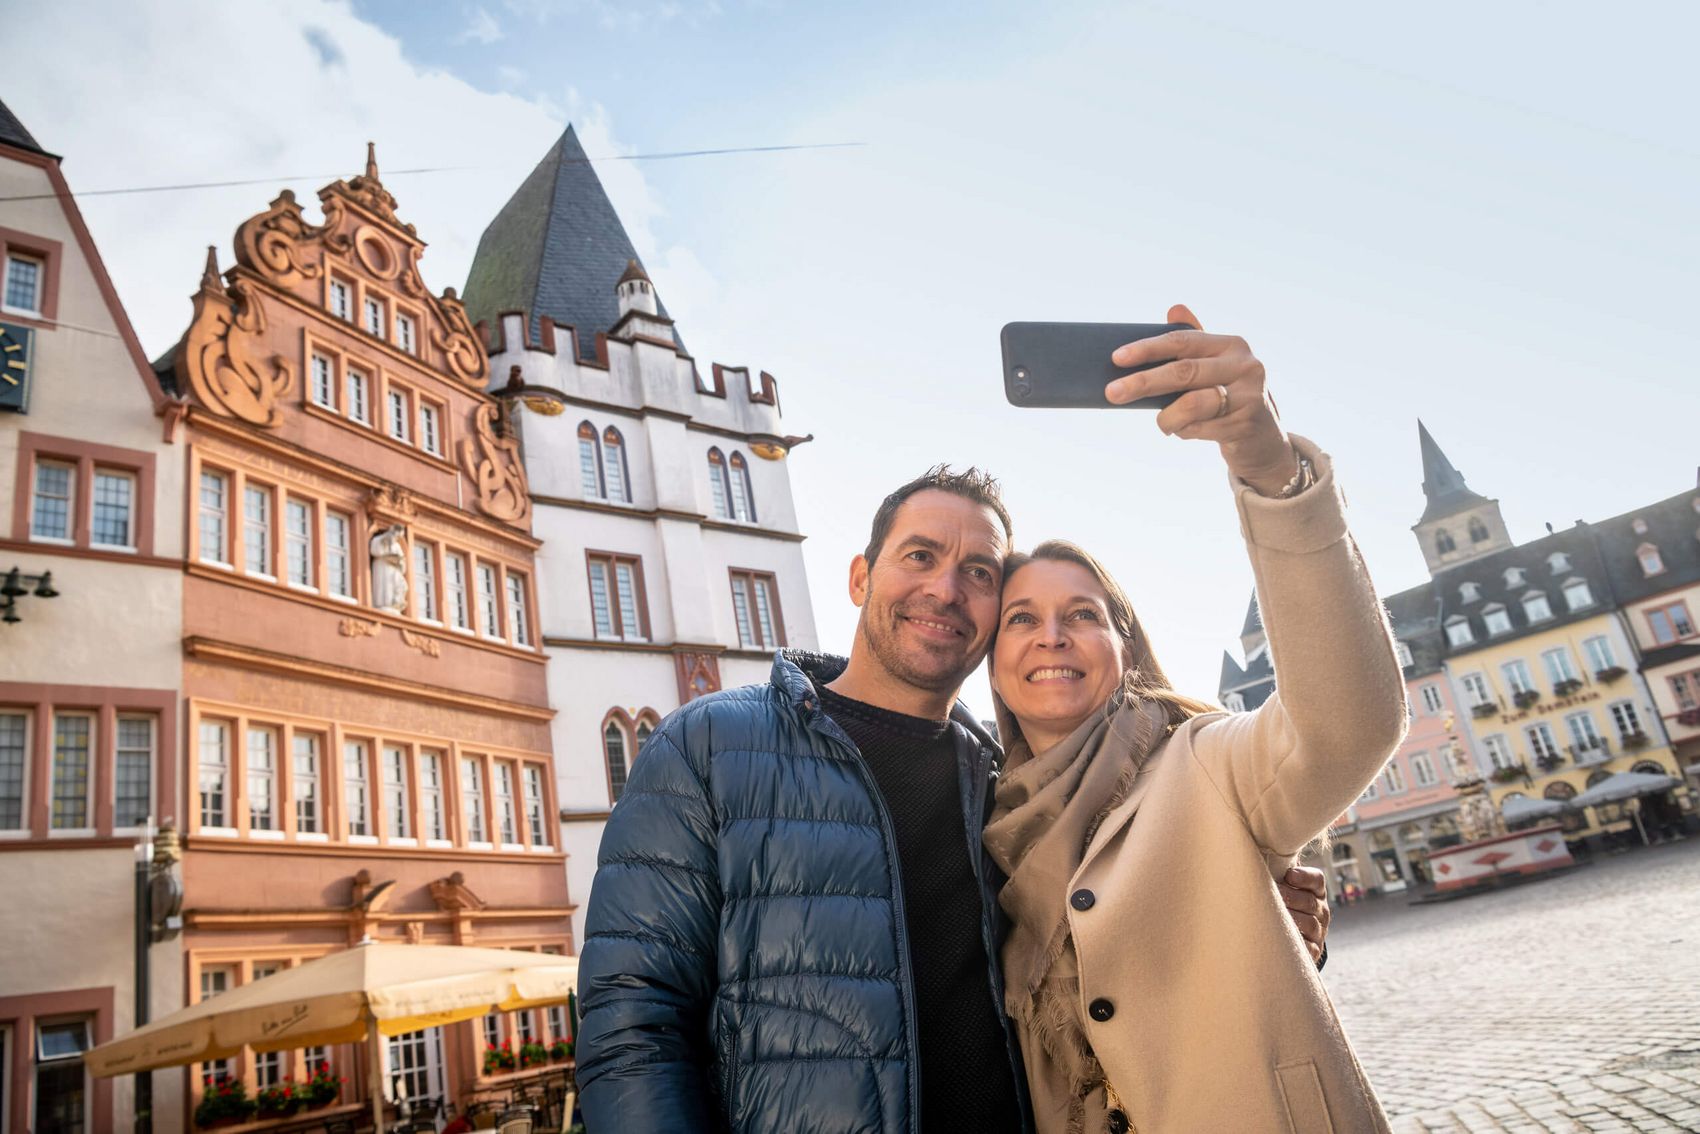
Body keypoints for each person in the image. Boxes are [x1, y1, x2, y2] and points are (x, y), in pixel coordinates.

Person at [573, 306, 1335, 1134]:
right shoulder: (709, 747)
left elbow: (1100, 967)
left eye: (978, 571)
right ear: (860, 577)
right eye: (920, 557)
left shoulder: (1006, 783)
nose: (945, 588)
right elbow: (632, 1028)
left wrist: (1248, 917)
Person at [982, 310, 1405, 1132]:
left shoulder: (1205, 763)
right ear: (993, 660)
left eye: (1083, 614)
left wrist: (1268, 469)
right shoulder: (984, 825)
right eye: (1021, 619)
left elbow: (1347, 726)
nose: (1052, 635)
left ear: (1126, 648)